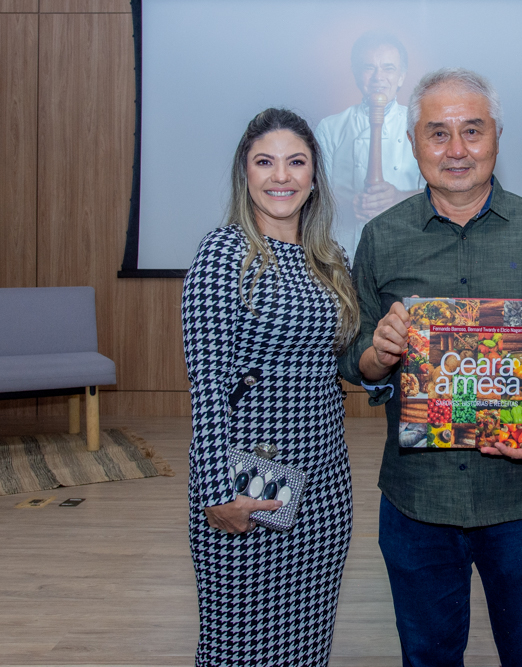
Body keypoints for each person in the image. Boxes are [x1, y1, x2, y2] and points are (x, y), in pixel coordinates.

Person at [337, 68, 522, 667]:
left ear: (497, 137)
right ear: (414, 143)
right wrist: (378, 353)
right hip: (418, 500)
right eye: (438, 133)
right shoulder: (381, 238)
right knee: (427, 657)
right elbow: (352, 356)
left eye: (472, 130)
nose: (456, 149)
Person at [182, 108, 360, 666]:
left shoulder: (330, 260)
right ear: (246, 172)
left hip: (325, 485)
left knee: (307, 641)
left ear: (314, 177)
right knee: (237, 644)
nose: (281, 176)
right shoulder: (224, 252)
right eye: (265, 162)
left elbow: (338, 363)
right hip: (250, 482)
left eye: (296, 162)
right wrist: (215, 491)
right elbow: (208, 386)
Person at [315, 31, 424, 261]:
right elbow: (315, 196)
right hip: (344, 251)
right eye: (369, 68)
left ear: (402, 77)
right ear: (356, 74)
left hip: (405, 250)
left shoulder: (421, 127)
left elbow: (440, 193)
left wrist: (398, 197)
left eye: (388, 68)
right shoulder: (330, 128)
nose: (378, 77)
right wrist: (350, 204)